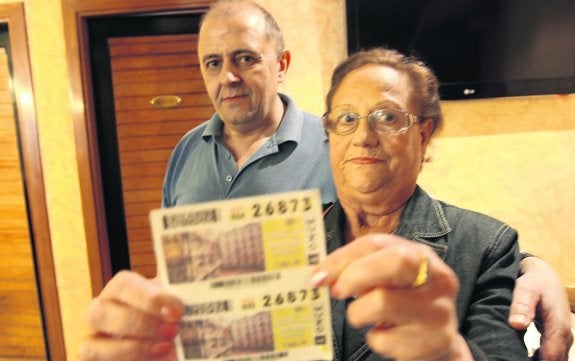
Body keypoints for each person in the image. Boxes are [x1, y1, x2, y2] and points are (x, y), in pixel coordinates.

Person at [78, 2, 572, 361]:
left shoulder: (484, 246)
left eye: (386, 116)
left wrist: (447, 352)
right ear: (329, 132)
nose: (364, 136)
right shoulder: (287, 236)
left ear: (424, 135)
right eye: (347, 119)